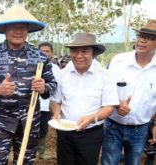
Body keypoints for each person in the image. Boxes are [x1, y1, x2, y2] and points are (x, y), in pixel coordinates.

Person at [0, 5, 56, 164]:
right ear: (4, 29)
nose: (18, 31)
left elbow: (52, 85)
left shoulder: (40, 56)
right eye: (13, 27)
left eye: (22, 27)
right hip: (0, 123)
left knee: (25, 162)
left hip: (29, 122)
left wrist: (44, 87)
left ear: (28, 30)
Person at [51, 32, 119, 165]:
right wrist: (56, 113)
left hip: (91, 134)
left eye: (84, 51)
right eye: (74, 51)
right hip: (65, 133)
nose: (78, 55)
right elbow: (56, 100)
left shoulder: (105, 76)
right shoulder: (62, 74)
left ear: (93, 54)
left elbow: (109, 106)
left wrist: (92, 118)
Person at [101, 19, 156, 165]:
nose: (142, 41)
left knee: (133, 162)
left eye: (150, 38)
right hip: (113, 125)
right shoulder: (119, 61)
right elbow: (107, 89)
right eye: (140, 36)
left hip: (141, 129)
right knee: (109, 162)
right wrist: (117, 105)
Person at [37, 42, 60, 159]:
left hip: (47, 106)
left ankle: (41, 152)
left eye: (47, 51)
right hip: (33, 105)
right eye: (42, 51)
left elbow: (58, 87)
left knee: (43, 130)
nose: (45, 54)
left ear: (52, 53)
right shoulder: (33, 66)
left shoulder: (56, 69)